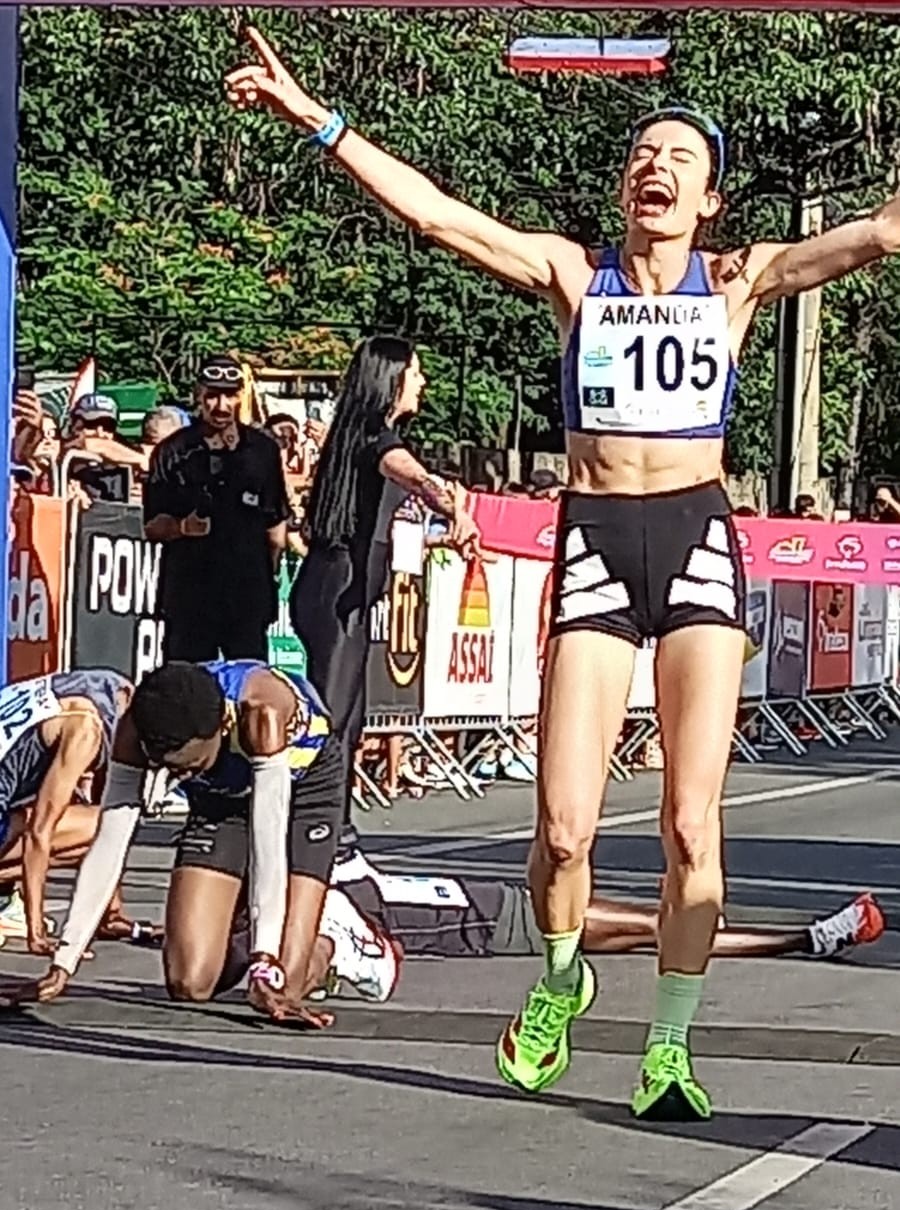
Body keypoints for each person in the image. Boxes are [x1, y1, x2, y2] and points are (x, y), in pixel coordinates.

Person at [226, 29, 900, 1119]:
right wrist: (317, 119)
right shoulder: (570, 273)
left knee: (690, 825)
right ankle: (560, 978)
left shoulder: (739, 282)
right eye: (644, 151)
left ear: (711, 199)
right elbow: (439, 217)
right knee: (565, 829)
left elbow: (880, 232)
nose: (656, 165)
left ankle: (670, 1047)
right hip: (593, 539)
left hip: (695, 541)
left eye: (679, 156)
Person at [13, 661, 344, 1024]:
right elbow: (109, 843)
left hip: (303, 789)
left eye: (188, 768)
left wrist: (264, 965)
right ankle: (241, 918)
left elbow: (269, 850)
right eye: (167, 768)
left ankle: (338, 936)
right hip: (220, 798)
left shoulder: (261, 715)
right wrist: (64, 962)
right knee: (189, 983)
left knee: (284, 986)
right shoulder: (136, 727)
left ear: (223, 727)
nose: (176, 776)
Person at [288, 333, 480, 861]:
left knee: (353, 717)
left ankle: (331, 822)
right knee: (334, 716)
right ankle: (314, 826)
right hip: (335, 589)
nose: (422, 382)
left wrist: (442, 536)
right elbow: (413, 475)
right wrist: (451, 508)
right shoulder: (374, 436)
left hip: (347, 587)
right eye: (415, 372)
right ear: (391, 378)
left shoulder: (365, 436)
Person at [216, 860, 886, 1007]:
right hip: (494, 922)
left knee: (660, 930)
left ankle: (813, 937)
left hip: (491, 901)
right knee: (662, 930)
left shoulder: (314, 881)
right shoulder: (321, 912)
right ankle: (811, 939)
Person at [143, 356, 290, 662]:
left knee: (250, 686)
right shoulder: (172, 451)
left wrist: (269, 573)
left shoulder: (264, 450)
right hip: (190, 596)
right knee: (186, 691)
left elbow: (275, 525)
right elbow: (151, 525)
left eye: (230, 395)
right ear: (198, 394)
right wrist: (183, 527)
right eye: (212, 395)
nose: (221, 405)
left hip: (246, 596)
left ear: (241, 396)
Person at [0, 670, 148, 950]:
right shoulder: (86, 730)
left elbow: (105, 797)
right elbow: (39, 833)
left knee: (90, 813)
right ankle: (11, 909)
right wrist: (37, 931)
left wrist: (112, 914)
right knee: (100, 826)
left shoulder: (96, 688)